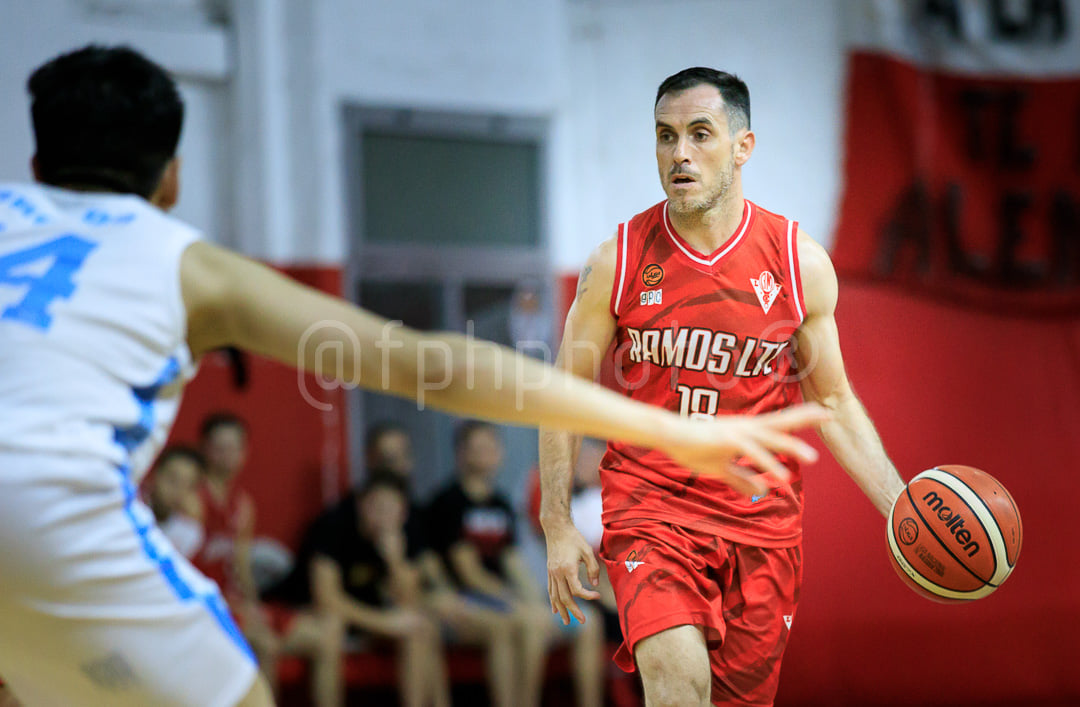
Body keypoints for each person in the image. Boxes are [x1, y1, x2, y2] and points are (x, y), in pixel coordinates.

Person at [0, 46, 826, 707]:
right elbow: (428, 361)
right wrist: (675, 428)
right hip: (46, 515)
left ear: (36, 159)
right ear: (172, 177)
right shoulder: (189, 265)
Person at [540, 67, 908, 707]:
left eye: (699, 134)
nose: (679, 153)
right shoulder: (618, 261)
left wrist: (901, 506)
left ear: (743, 147)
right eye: (665, 135)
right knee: (678, 686)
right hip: (652, 512)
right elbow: (562, 392)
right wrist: (556, 523)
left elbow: (833, 402)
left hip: (761, 525)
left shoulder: (799, 265)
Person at [428, 421, 604, 707]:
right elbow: (469, 572)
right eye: (478, 448)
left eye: (491, 447)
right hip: (470, 601)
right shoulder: (448, 502)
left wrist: (537, 597)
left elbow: (513, 563)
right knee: (531, 621)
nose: (486, 454)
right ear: (461, 453)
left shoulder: (501, 504)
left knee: (588, 620)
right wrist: (516, 600)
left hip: (506, 598)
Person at [194, 412, 344, 707]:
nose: (227, 456)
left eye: (234, 448)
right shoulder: (191, 497)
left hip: (237, 606)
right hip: (206, 609)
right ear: (204, 450)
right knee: (265, 644)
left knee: (326, 636)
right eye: (219, 447)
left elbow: (241, 565)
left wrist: (253, 604)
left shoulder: (242, 503)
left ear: (245, 452)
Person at [270, 469, 448, 707]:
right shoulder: (332, 526)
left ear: (403, 511)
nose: (383, 514)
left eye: (391, 507)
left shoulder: (402, 536)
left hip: (363, 618)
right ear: (360, 504)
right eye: (376, 506)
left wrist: (395, 561)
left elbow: (408, 601)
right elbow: (326, 599)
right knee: (333, 625)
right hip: (312, 612)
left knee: (421, 630)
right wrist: (385, 623)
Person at [144, 445, 206, 559]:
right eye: (172, 480)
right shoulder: (127, 509)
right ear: (156, 474)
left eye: (187, 485)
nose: (177, 490)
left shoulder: (191, 533)